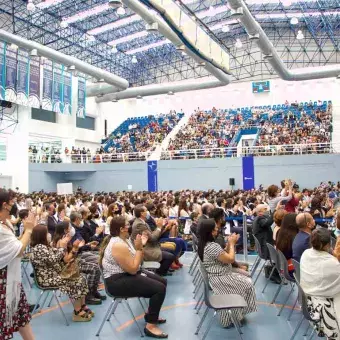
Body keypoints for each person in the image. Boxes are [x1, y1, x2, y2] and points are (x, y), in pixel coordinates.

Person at [100, 216, 168, 338]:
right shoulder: (117, 245)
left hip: (127, 274)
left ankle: (151, 314)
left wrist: (140, 246)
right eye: (127, 225)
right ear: (122, 229)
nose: (129, 226)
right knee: (159, 289)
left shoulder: (125, 240)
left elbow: (138, 262)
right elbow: (132, 269)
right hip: (117, 281)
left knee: (163, 281)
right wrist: (139, 248)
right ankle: (150, 326)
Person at [198, 218, 257, 327]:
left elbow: (221, 255)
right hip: (221, 278)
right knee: (247, 284)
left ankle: (236, 314)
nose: (217, 231)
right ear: (210, 232)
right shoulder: (211, 246)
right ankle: (234, 315)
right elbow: (230, 259)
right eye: (215, 229)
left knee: (245, 282)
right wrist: (232, 244)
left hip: (218, 276)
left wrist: (229, 245)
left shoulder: (205, 244)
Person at [30, 224, 93, 322]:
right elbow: (54, 260)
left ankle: (82, 306)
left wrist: (72, 247)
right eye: (46, 233)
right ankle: (77, 312)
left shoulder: (45, 246)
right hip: (47, 279)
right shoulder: (39, 248)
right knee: (76, 281)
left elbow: (61, 257)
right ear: (41, 235)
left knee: (81, 278)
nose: (49, 234)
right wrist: (63, 247)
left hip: (54, 275)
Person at [0, 189, 35, 340]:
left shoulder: (6, 222)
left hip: (12, 280)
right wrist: (28, 230)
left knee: (22, 316)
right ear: (4, 205)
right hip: (4, 281)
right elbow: (19, 250)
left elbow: (14, 243)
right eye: (12, 203)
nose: (14, 206)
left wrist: (25, 231)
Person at [300, 228, 340, 339]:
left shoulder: (306, 253)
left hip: (308, 300)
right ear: (328, 244)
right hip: (321, 306)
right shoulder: (331, 262)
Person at [131, 205, 175, 276]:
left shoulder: (142, 222)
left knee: (170, 250)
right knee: (170, 256)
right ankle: (159, 273)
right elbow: (153, 238)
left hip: (151, 246)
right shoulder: (139, 224)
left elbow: (152, 235)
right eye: (146, 210)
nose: (148, 212)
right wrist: (159, 227)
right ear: (142, 213)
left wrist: (162, 227)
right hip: (146, 250)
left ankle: (163, 269)